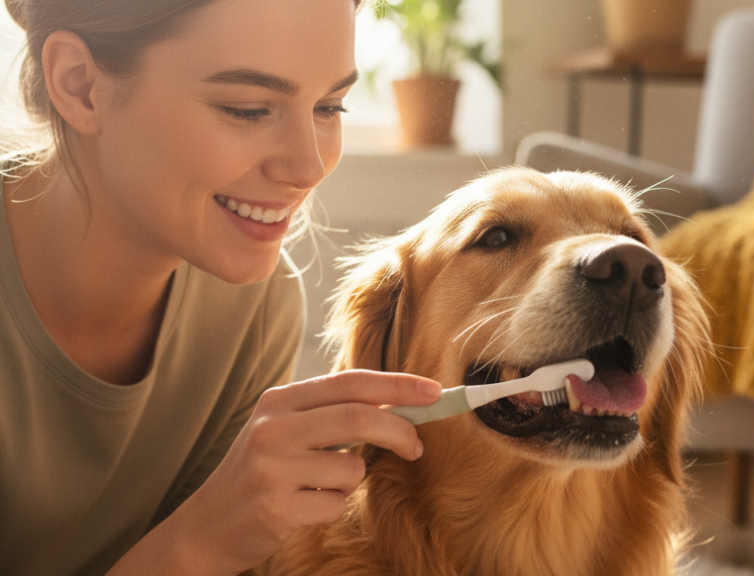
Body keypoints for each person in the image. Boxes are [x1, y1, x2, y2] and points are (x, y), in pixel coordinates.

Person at [0, 0, 442, 575]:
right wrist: (200, 543)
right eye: (249, 109)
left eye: (329, 106)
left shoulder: (257, 308)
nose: (309, 167)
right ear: (80, 85)